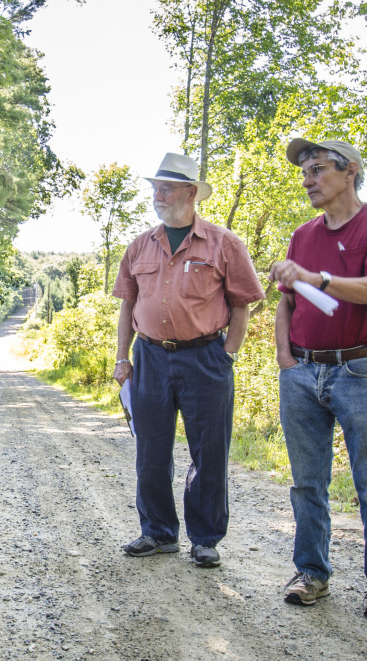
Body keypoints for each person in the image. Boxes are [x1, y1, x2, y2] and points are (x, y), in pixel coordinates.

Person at [269, 138, 367, 619]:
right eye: (304, 173)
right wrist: (285, 357)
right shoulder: (302, 234)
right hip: (303, 370)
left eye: (316, 170)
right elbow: (286, 301)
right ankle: (311, 573)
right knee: (307, 482)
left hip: (362, 369)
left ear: (349, 171)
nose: (307, 180)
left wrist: (318, 278)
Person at [112, 153, 264, 567]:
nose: (157, 196)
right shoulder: (140, 245)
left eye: (166, 188)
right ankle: (158, 533)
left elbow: (243, 305)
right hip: (149, 359)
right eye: (155, 189)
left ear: (191, 193)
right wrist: (121, 358)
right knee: (151, 452)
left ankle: (205, 538)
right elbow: (127, 305)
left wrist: (227, 355)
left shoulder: (224, 243)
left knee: (208, 451)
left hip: (205, 359)